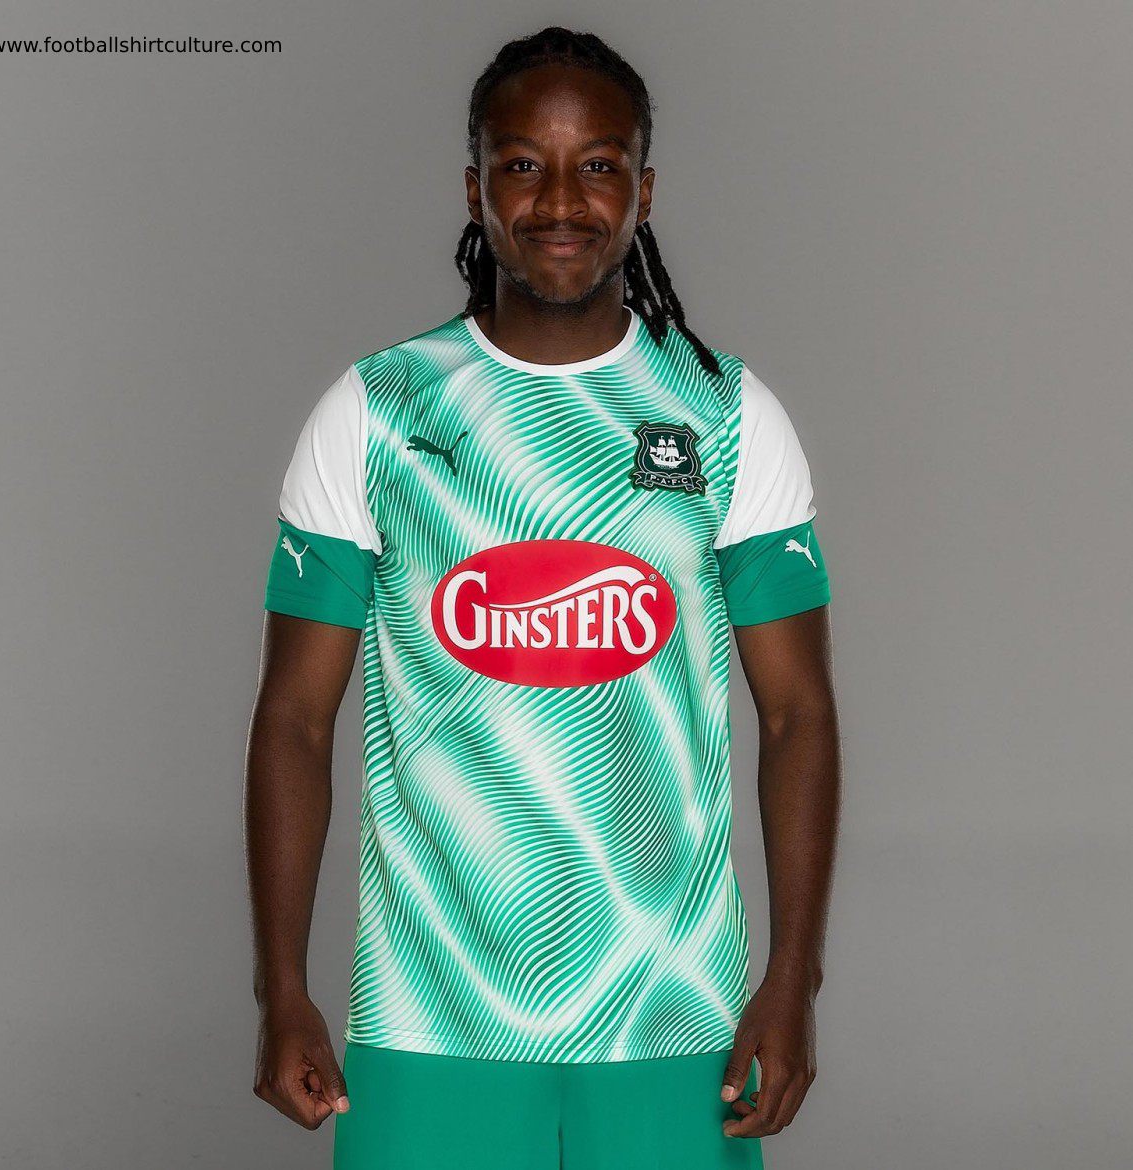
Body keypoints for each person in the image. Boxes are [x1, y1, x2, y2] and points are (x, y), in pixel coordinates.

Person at [244, 26, 841, 1170]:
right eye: (522, 164)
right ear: (475, 189)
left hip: (674, 1015)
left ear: (643, 191)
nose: (561, 200)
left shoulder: (725, 415)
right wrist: (280, 989)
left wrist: (792, 982)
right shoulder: (378, 411)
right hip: (428, 1019)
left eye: (598, 165)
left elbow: (798, 714)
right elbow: (295, 719)